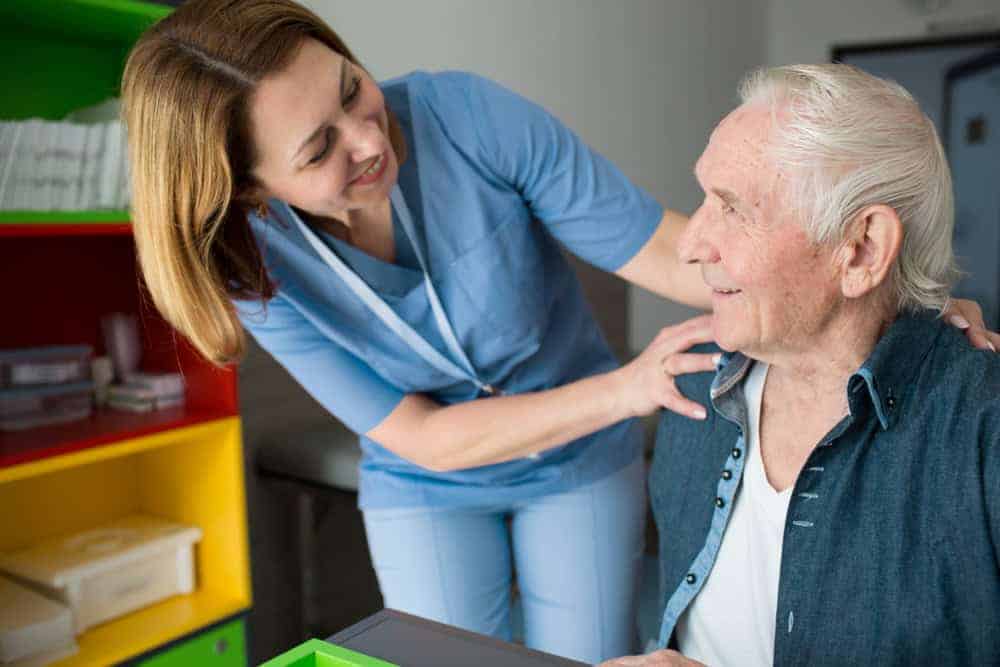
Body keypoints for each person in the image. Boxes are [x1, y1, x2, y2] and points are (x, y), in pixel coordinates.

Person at [121, 1, 995, 661]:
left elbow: (664, 246)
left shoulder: (465, 117)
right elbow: (420, 433)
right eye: (319, 150)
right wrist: (627, 385)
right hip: (434, 475)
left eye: (354, 88)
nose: (370, 137)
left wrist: (890, 301)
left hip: (582, 461)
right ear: (251, 191)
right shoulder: (252, 268)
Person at [603, 64, 1000, 667]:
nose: (689, 246)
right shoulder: (693, 391)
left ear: (861, 250)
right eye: (705, 199)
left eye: (734, 210)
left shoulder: (981, 433)